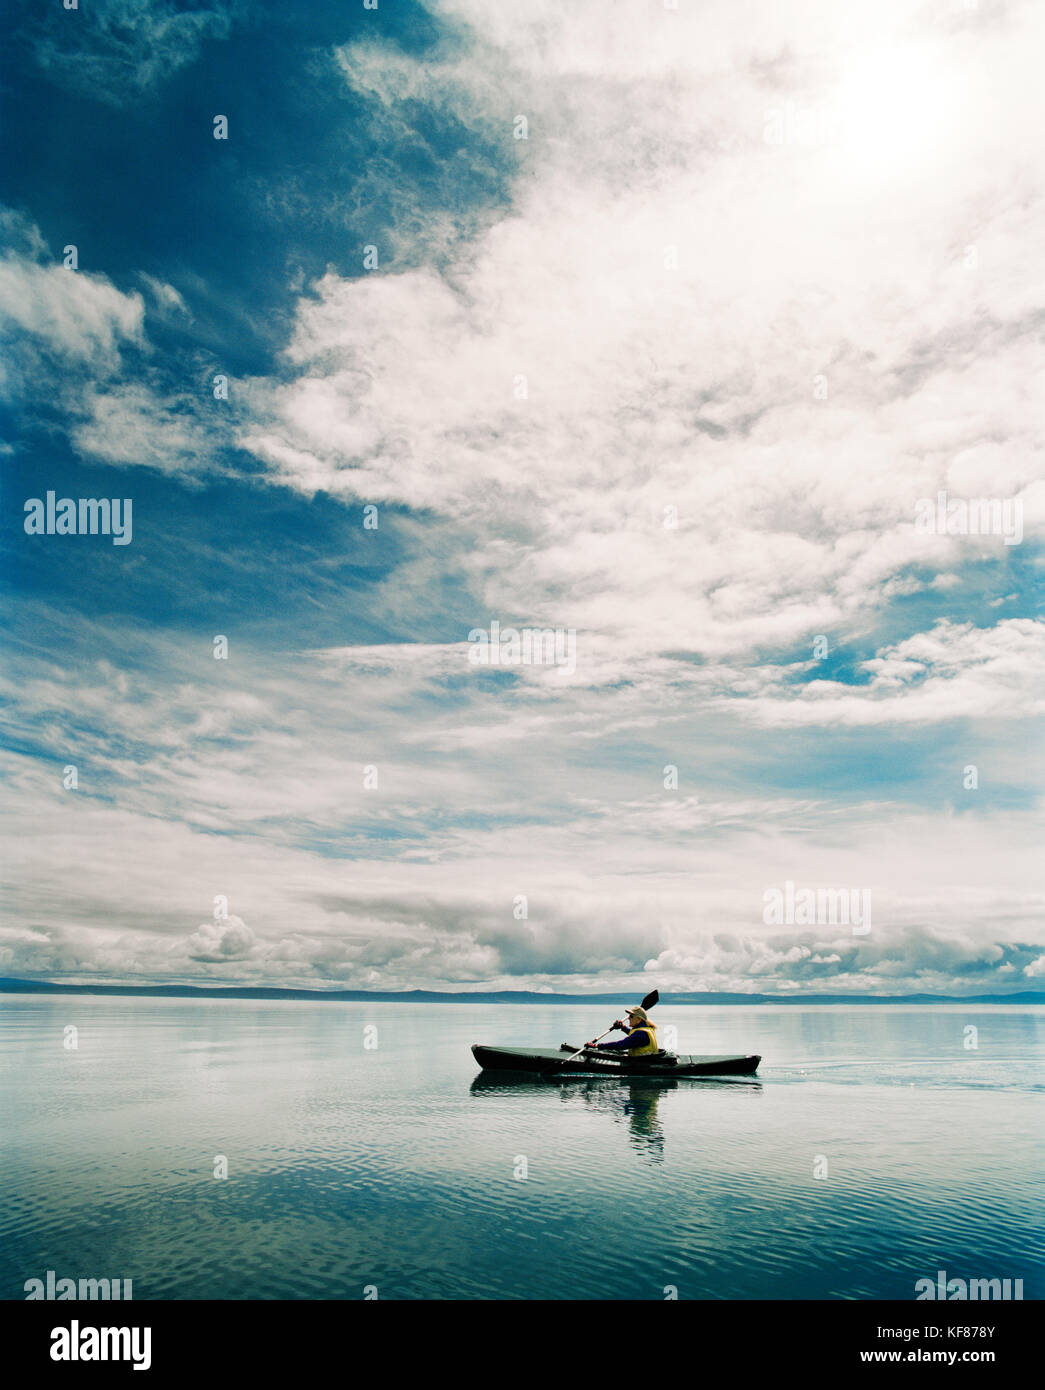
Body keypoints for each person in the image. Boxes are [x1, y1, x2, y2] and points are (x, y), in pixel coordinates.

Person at [586, 1005, 659, 1056]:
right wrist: (622, 1027)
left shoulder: (640, 1034)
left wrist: (597, 1046)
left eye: (631, 1016)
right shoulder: (647, 1028)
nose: (628, 1018)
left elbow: (621, 1045)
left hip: (641, 1064)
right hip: (646, 1059)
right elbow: (633, 1036)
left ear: (639, 1019)